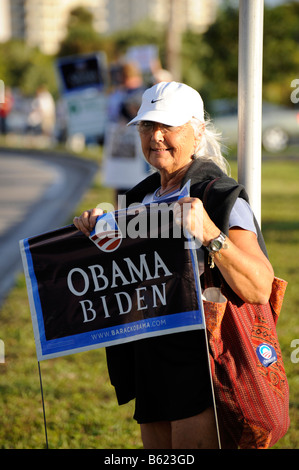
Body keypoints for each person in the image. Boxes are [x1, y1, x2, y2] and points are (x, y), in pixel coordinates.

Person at [73, 81, 274, 449]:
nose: (157, 136)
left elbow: (260, 287)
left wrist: (212, 233)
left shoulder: (219, 196)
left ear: (197, 131)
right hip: (148, 358)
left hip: (202, 362)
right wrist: (96, 229)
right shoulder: (139, 197)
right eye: (148, 126)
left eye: (169, 126)